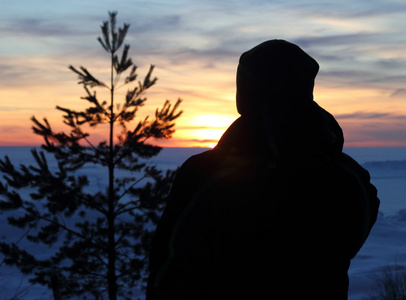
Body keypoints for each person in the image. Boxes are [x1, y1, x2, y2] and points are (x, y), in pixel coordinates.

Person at [146, 39, 379, 299]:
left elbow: (170, 268)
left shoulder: (205, 174)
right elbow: (346, 246)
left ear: (246, 92)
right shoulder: (350, 177)